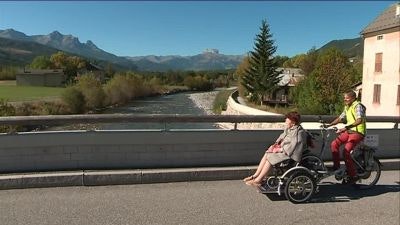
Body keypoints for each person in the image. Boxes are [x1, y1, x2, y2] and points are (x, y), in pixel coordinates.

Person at [243, 111, 307, 187]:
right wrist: (274, 145)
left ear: (293, 122)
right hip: (284, 151)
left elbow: (294, 146)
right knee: (267, 153)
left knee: (270, 158)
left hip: (290, 155)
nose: (285, 120)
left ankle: (258, 180)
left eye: (287, 119)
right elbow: (281, 137)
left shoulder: (299, 132)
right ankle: (255, 176)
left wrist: (280, 150)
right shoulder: (289, 129)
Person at [325, 90, 366, 184]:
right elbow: (340, 118)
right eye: (344, 98)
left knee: (346, 152)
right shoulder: (347, 107)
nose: (345, 100)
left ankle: (353, 175)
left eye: (347, 98)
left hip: (357, 132)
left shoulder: (358, 106)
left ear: (353, 98)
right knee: (334, 144)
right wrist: (329, 125)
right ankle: (337, 167)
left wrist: (345, 127)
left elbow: (359, 120)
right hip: (349, 131)